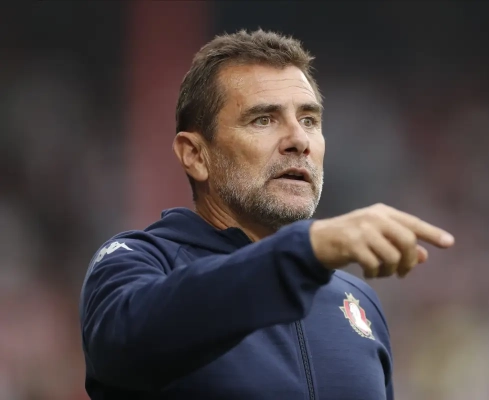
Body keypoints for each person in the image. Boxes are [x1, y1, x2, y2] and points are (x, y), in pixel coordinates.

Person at [79, 29, 455, 399]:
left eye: (309, 120)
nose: (299, 141)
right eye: (263, 119)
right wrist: (304, 251)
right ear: (195, 155)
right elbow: (127, 346)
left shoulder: (358, 300)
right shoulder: (139, 262)